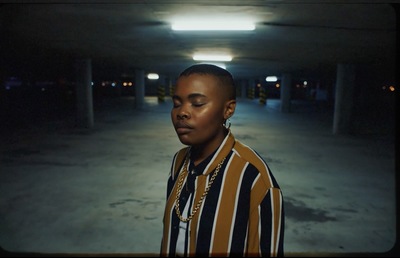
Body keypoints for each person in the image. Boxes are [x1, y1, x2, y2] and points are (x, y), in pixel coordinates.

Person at [160, 64, 284, 257]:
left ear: (228, 109)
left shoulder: (255, 178)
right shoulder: (179, 161)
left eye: (197, 103)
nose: (181, 112)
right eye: (177, 103)